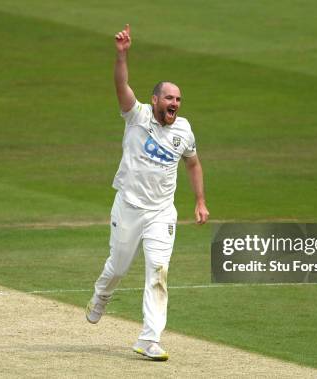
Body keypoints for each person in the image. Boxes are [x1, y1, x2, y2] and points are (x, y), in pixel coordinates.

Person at [85, 24, 209, 361]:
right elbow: (120, 85)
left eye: (179, 99)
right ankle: (101, 296)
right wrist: (121, 54)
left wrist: (199, 201)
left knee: (158, 271)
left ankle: (149, 338)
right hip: (128, 206)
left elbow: (193, 165)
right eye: (169, 97)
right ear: (155, 100)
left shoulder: (183, 130)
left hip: (161, 213)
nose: (175, 103)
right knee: (119, 266)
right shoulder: (136, 116)